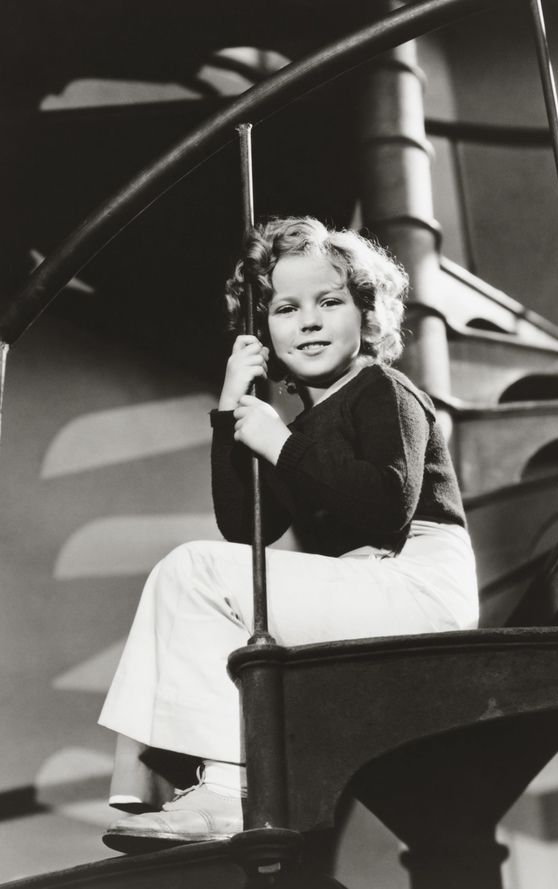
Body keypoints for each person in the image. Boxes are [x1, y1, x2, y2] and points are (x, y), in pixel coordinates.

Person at [99, 216, 478, 852]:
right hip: (368, 584)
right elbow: (244, 526)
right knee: (183, 573)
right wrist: (230, 408)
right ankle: (164, 780)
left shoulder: (383, 389)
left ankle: (228, 788)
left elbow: (387, 505)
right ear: (263, 331)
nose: (308, 322)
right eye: (285, 308)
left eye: (329, 302)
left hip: (419, 582)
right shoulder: (300, 426)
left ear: (367, 315)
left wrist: (279, 443)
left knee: (193, 569)